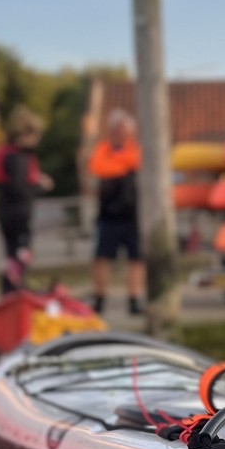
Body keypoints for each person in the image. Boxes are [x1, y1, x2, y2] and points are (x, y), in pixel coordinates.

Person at [88, 109, 144, 316]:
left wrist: (119, 164)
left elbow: (135, 163)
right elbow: (99, 168)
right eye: (117, 128)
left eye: (125, 129)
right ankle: (100, 298)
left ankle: (134, 299)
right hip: (108, 214)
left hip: (132, 215)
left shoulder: (135, 149)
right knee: (102, 258)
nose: (121, 132)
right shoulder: (102, 150)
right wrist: (121, 165)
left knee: (136, 259)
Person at [0, 109, 50, 293]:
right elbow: (19, 188)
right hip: (17, 213)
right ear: (24, 134)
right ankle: (13, 290)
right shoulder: (18, 157)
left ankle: (12, 289)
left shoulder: (7, 153)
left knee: (13, 255)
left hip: (6, 211)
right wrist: (40, 186)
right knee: (22, 253)